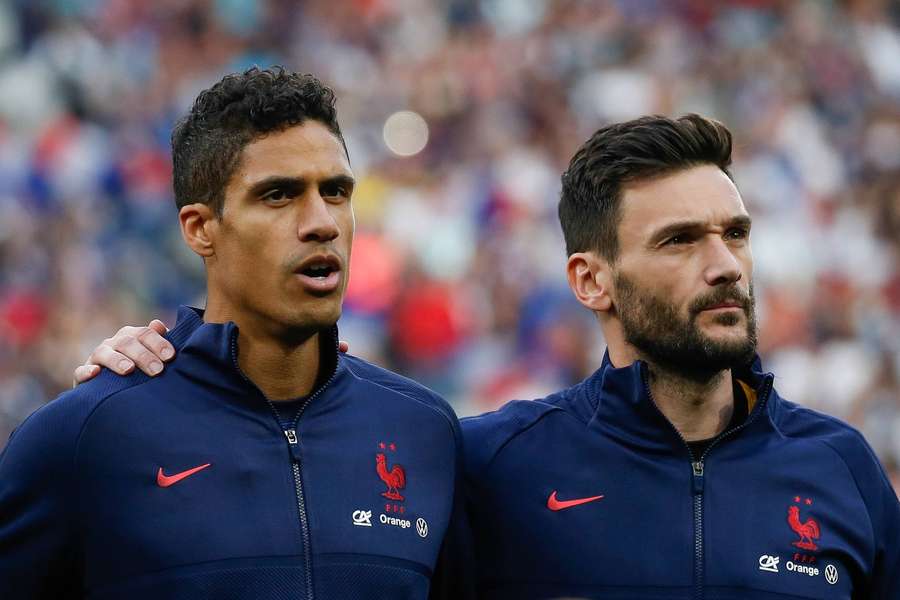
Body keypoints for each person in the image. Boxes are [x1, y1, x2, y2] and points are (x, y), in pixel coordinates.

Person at [71, 115, 900, 598]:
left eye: (736, 235)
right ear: (590, 279)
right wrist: (170, 367)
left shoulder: (842, 470)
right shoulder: (486, 462)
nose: (724, 264)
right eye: (681, 241)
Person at [0, 66, 470, 600]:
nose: (323, 222)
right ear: (201, 229)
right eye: (279, 195)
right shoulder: (86, 438)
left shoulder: (425, 429)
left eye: (336, 191)